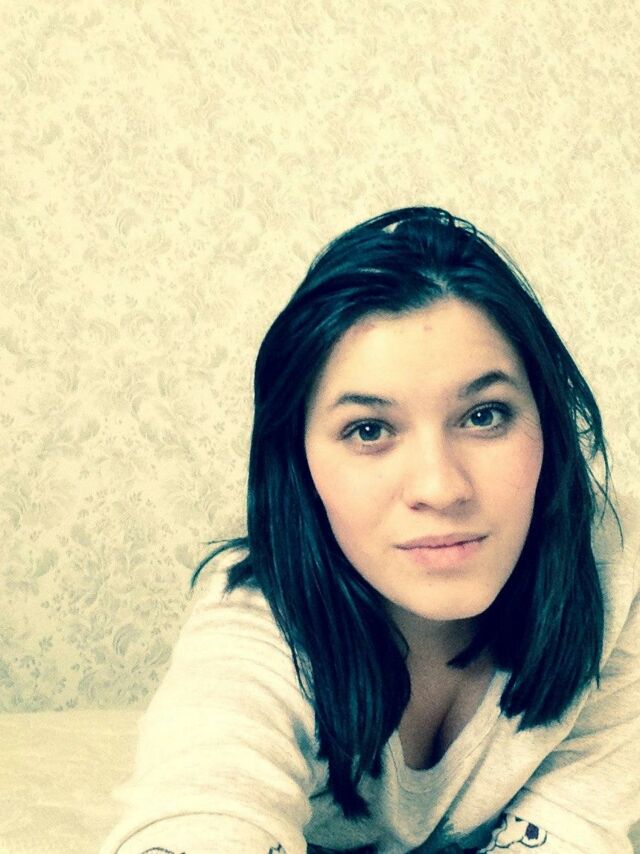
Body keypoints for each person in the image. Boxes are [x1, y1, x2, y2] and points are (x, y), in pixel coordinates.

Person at [101, 207, 640, 853]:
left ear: (547, 427)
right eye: (369, 430)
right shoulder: (258, 623)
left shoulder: (617, 572)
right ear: (300, 464)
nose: (440, 488)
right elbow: (203, 794)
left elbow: (575, 829)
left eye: (485, 415)